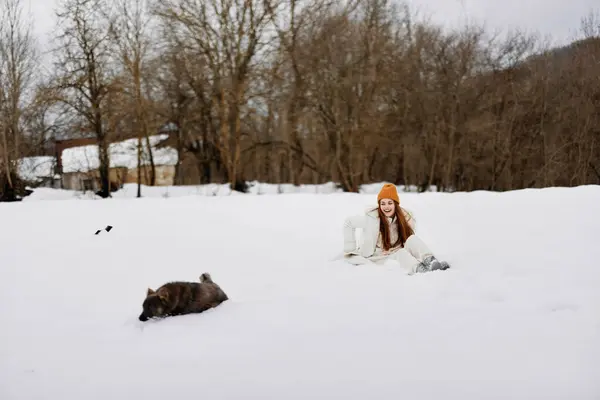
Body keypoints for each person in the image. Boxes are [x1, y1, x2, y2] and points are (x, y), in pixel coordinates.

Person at [343, 183, 450, 273]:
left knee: (412, 239)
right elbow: (348, 223)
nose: (386, 207)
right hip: (380, 256)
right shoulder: (372, 219)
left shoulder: (405, 218)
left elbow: (408, 240)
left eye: (390, 203)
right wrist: (350, 250)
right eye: (383, 203)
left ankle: (430, 261)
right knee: (401, 253)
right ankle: (420, 269)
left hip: (397, 249)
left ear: (396, 204)